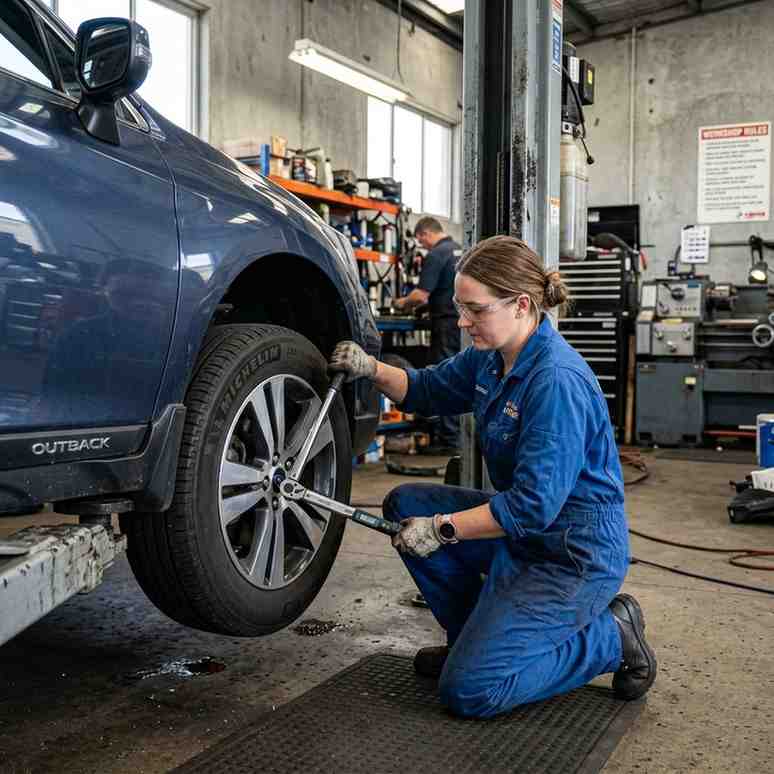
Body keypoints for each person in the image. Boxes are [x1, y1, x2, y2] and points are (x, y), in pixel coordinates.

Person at [329, 235, 656, 719]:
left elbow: (531, 507)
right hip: (528, 536)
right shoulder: (492, 356)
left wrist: (443, 529)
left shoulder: (555, 381)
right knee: (406, 503)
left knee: (470, 691)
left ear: (521, 304)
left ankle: (612, 636)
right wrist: (369, 367)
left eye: (475, 310)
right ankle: (470, 640)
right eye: (460, 308)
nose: (463, 322)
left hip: (572, 554)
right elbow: (424, 389)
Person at [392, 216, 462, 454]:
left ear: (424, 234)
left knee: (444, 376)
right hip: (462, 322)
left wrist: (401, 303)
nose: (421, 243)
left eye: (420, 238)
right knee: (459, 375)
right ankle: (457, 437)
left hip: (445, 323)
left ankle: (447, 440)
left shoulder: (437, 254)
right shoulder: (460, 249)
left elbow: (421, 295)